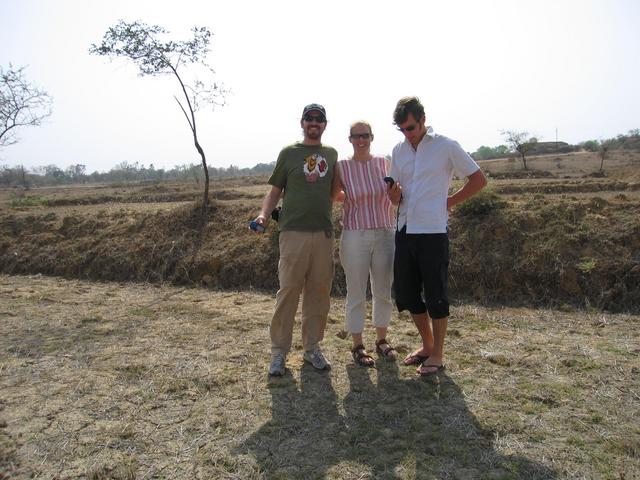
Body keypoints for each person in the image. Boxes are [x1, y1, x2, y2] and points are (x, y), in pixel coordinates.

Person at [387, 96, 487, 376]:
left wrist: (449, 202)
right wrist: (393, 194)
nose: (407, 134)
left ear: (423, 121)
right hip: (405, 229)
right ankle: (428, 345)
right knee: (407, 293)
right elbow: (395, 195)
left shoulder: (446, 146)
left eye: (411, 127)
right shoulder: (398, 150)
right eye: (402, 129)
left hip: (432, 231)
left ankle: (439, 354)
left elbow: (478, 179)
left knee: (436, 296)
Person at [251, 103, 338, 376]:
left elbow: (336, 192)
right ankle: (279, 353)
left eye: (319, 119)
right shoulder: (289, 154)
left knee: (319, 293)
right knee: (288, 291)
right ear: (302, 123)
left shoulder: (332, 155)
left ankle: (312, 348)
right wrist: (264, 216)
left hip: (323, 234)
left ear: (325, 124)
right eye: (309, 119)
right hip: (292, 233)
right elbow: (274, 192)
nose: (314, 123)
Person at [332, 121, 396, 367]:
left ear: (372, 137)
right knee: (356, 291)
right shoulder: (342, 167)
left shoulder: (384, 162)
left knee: (383, 290)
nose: (361, 140)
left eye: (365, 135)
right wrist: (352, 198)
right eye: (356, 136)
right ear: (350, 139)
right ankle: (358, 345)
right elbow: (334, 194)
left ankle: (381, 340)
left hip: (384, 232)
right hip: (355, 234)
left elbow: (394, 193)